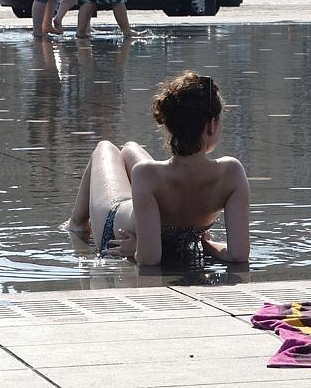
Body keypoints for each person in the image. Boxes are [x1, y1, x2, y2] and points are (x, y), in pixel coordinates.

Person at [66, 73, 250, 266]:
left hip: (116, 229)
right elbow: (238, 255)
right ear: (211, 125)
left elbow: (149, 258)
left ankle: (77, 223)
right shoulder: (232, 173)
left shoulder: (146, 174)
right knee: (129, 148)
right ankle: (75, 224)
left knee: (105, 148)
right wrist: (208, 244)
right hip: (136, 221)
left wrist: (135, 250)